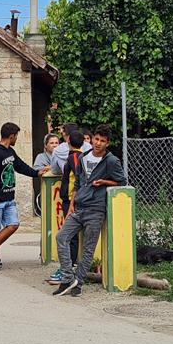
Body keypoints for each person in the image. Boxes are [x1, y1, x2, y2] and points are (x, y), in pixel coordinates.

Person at [52, 125, 126, 297]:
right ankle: (67, 278)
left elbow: (121, 181)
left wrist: (104, 182)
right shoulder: (83, 157)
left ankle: (78, 283)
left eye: (102, 141)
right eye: (96, 139)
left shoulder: (111, 161)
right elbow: (77, 183)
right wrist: (71, 206)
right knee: (61, 237)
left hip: (96, 210)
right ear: (91, 139)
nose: (98, 143)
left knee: (88, 248)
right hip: (78, 207)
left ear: (107, 143)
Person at [0, 122, 49, 271]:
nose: (16, 139)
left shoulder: (10, 152)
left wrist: (36, 173)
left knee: (13, 224)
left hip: (9, 198)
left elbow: (20, 166)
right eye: (16, 136)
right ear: (11, 136)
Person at [49, 130, 85, 283]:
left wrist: (72, 199)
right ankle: (71, 266)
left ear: (68, 141)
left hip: (71, 200)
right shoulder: (81, 156)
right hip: (72, 199)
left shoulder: (74, 158)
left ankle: (68, 268)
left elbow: (78, 177)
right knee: (72, 235)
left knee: (69, 235)